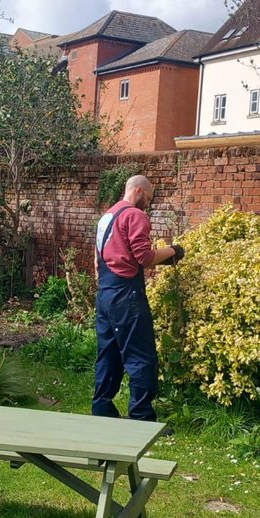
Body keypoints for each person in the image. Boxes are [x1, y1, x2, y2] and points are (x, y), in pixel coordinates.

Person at [93, 175, 184, 422]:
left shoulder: (107, 216)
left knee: (108, 353)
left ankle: (102, 408)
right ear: (138, 191)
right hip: (127, 295)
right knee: (141, 355)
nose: (149, 202)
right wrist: (174, 252)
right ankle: (142, 416)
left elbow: (96, 260)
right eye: (149, 196)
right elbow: (143, 257)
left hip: (105, 295)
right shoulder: (134, 215)